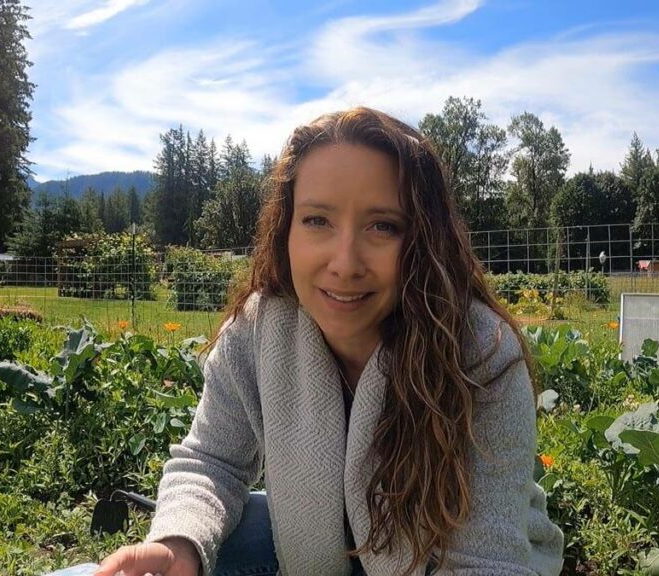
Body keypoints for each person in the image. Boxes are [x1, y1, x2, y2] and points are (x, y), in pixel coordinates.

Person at [94, 107, 564, 576]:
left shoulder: (479, 353)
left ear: (424, 240)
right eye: (318, 220)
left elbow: (487, 562)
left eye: (383, 226)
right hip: (314, 551)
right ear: (286, 229)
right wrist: (180, 543)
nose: (345, 263)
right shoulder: (258, 328)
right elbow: (211, 461)